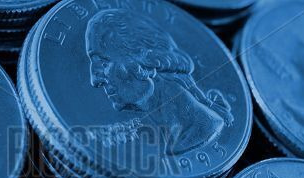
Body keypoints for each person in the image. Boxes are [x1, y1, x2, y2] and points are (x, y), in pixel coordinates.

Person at [85, 9, 234, 156]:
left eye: (104, 62)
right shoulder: (176, 138)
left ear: (143, 60)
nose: (95, 80)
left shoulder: (203, 128)